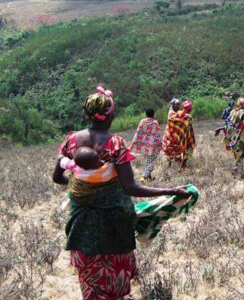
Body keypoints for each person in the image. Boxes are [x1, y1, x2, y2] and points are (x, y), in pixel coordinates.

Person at [53, 85, 190, 300]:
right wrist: (170, 190)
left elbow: (57, 177)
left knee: (90, 282)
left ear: (88, 114)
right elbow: (130, 187)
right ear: (111, 114)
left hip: (82, 225)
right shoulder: (115, 143)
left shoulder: (71, 140)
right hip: (114, 224)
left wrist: (80, 186)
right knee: (114, 280)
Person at [215, 98, 244, 171]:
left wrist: (220, 128)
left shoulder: (232, 112)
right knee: (241, 154)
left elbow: (229, 125)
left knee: (237, 153)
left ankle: (240, 169)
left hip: (233, 137)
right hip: (242, 137)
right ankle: (236, 169)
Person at [162, 100, 196, 171]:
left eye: (179, 105)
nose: (178, 106)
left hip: (178, 136)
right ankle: (175, 166)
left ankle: (179, 165)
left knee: (179, 149)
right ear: (172, 105)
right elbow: (176, 119)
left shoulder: (178, 113)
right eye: (177, 105)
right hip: (173, 136)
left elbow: (180, 117)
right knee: (173, 149)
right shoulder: (172, 113)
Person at [130, 108, 161, 182]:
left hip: (144, 147)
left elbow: (138, 133)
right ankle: (144, 176)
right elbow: (157, 135)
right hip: (152, 147)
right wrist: (160, 144)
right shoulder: (155, 122)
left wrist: (133, 144)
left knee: (147, 161)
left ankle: (148, 178)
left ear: (146, 114)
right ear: (153, 115)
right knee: (152, 162)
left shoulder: (142, 121)